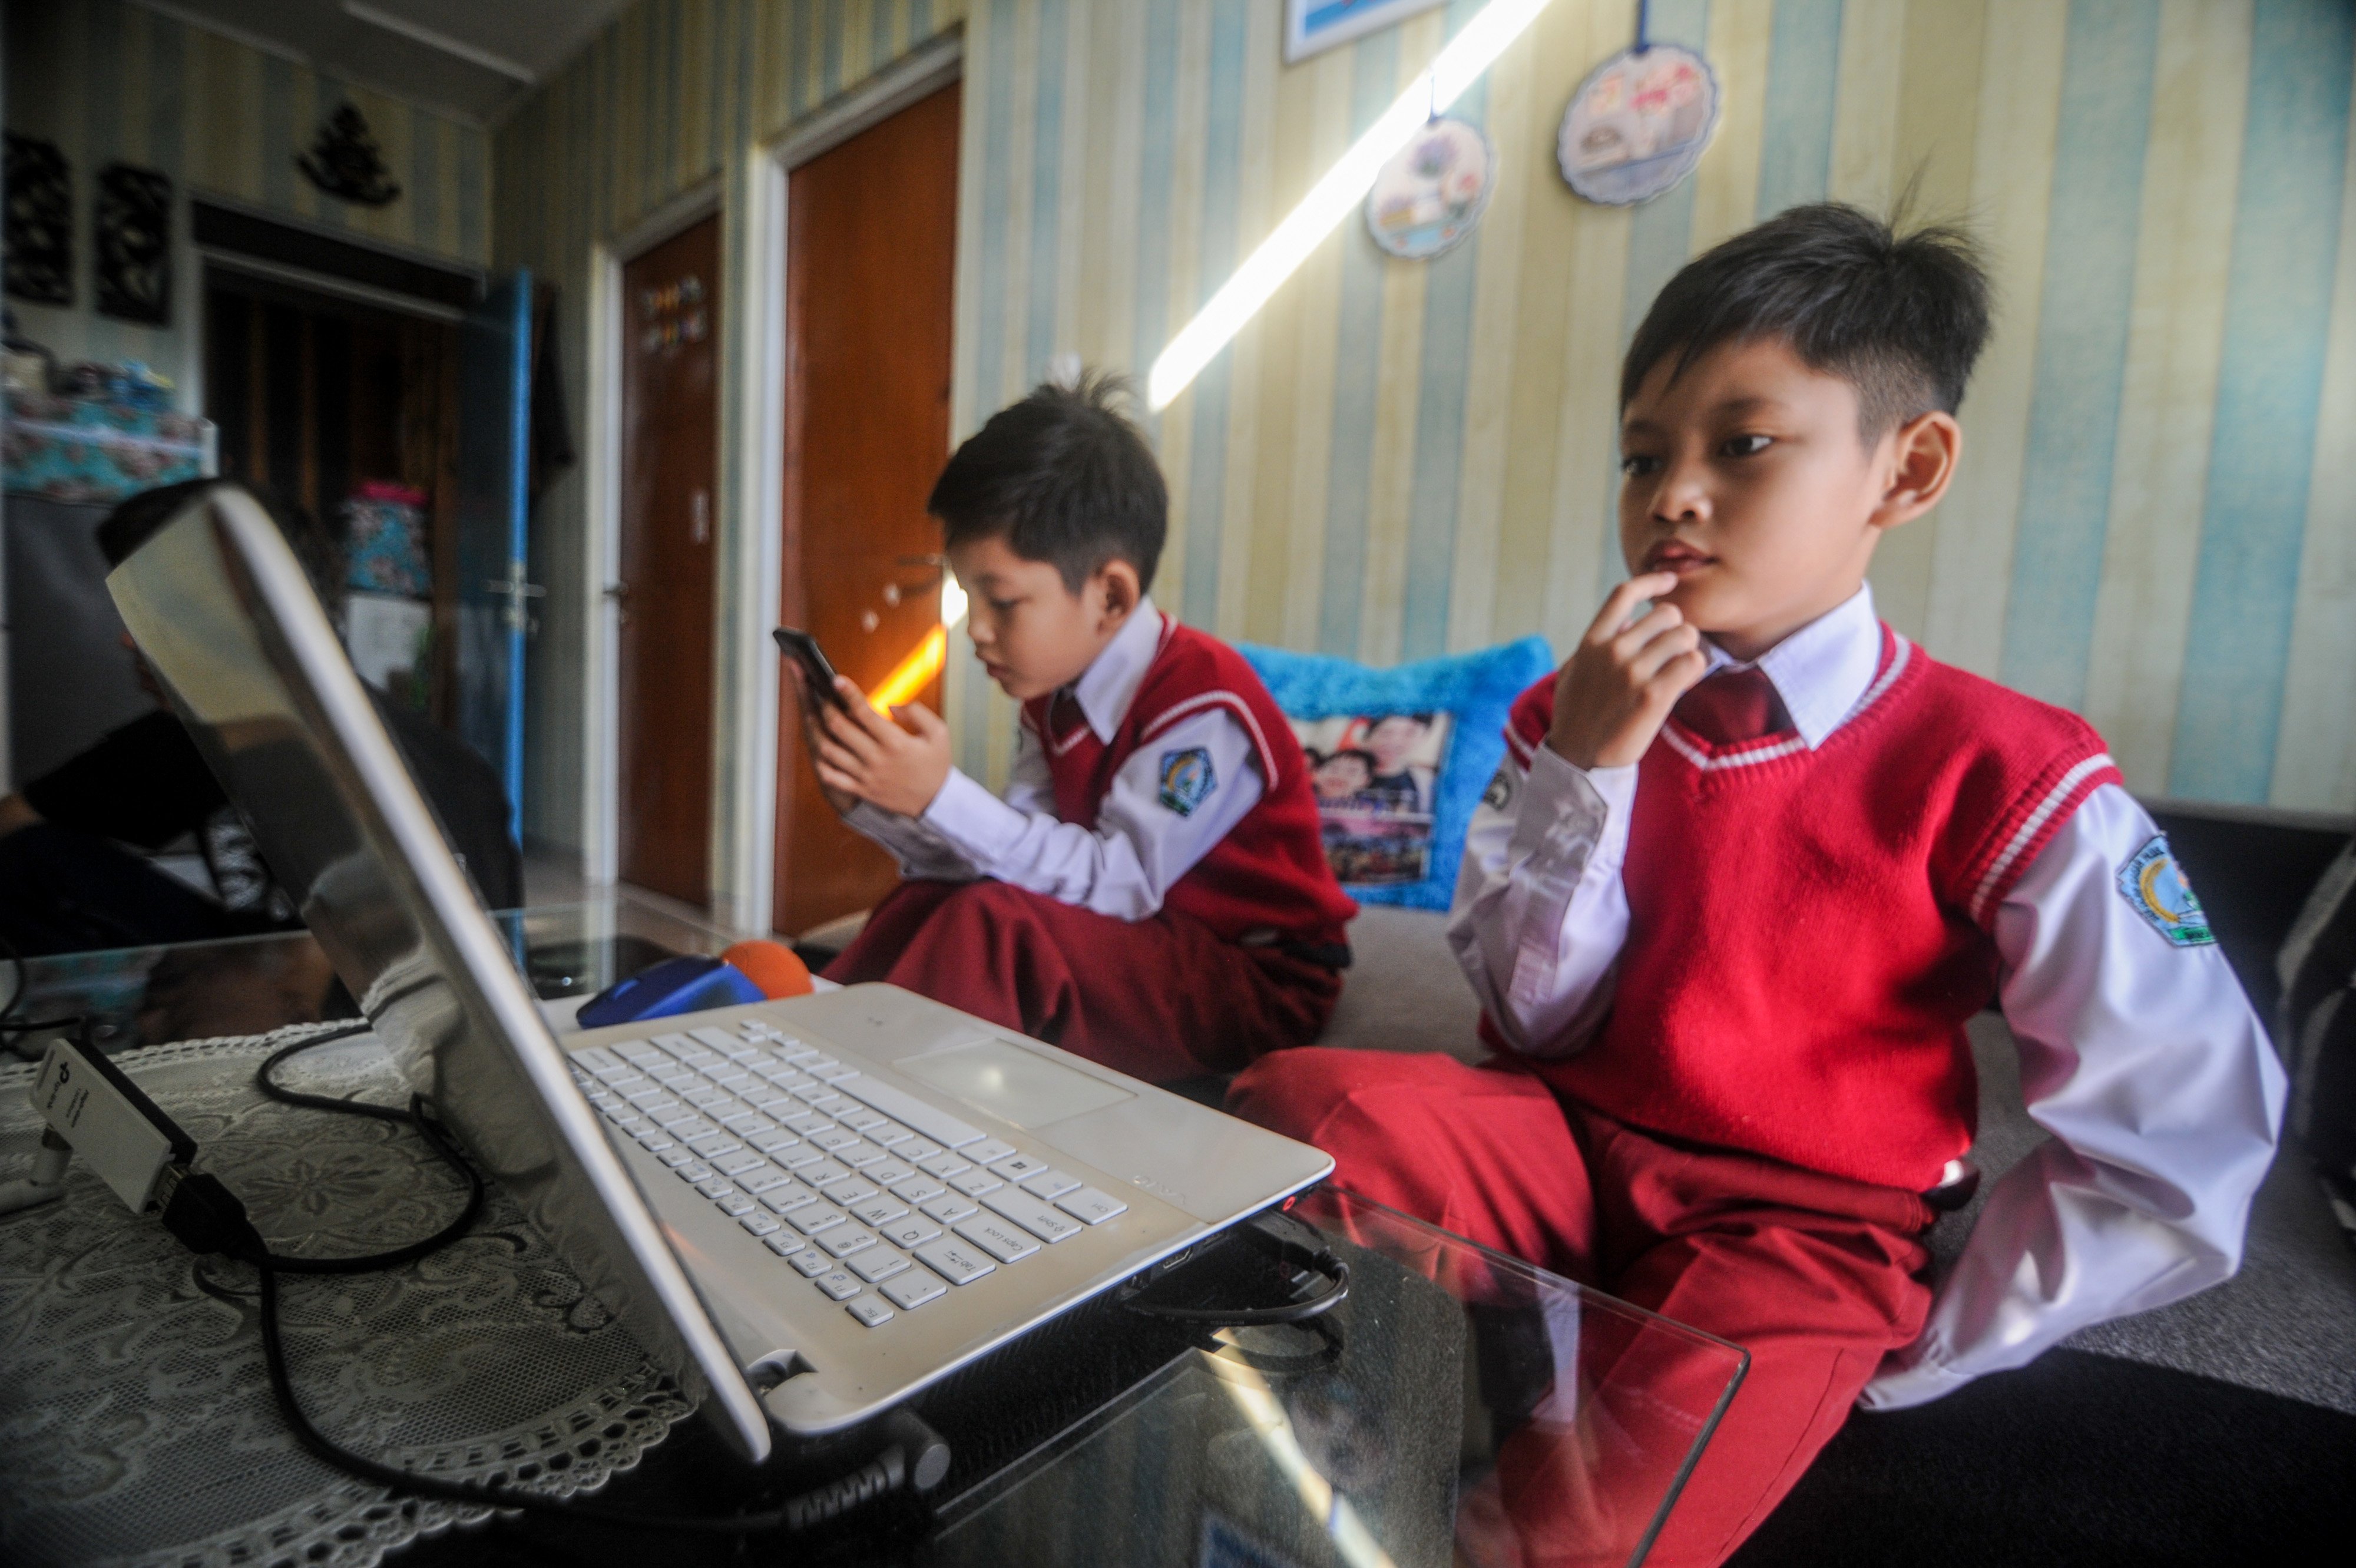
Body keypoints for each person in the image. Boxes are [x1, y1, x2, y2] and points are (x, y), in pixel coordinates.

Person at [1226, 204, 2284, 1567]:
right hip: (1567, 1141)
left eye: (1743, 443)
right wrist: (1593, 765)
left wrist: (1917, 1335)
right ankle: (1394, 1404)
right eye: (1641, 455)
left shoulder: (2004, 769)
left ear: (1904, 470)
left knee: (1582, 1530)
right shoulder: (1574, 709)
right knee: (1297, 1109)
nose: (1671, 493)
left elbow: (2183, 1145)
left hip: (1798, 1224)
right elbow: (1531, 1025)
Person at [799, 374, 1356, 1084]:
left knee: (1000, 926)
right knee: (935, 897)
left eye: (1001, 601)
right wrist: (884, 808)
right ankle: (814, 1051)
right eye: (969, 600)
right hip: (1146, 935)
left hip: (1257, 977)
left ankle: (863, 1091)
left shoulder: (1207, 704)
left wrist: (940, 794)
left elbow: (1120, 879)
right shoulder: (1053, 697)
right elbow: (1016, 856)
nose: (980, 634)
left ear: (1111, 596)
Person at [0, 479, 520, 960]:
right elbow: (19, 818)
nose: (129, 639)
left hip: (346, 1006)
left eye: (163, 607)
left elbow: (432, 998)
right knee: (28, 860)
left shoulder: (431, 786)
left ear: (261, 612)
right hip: (253, 954)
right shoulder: (196, 727)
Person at [1359, 712, 1435, 814]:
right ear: (1368, 735)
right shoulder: (1340, 775)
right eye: (1386, 732)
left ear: (1423, 737)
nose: (1395, 742)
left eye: (1409, 733)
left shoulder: (1426, 784)